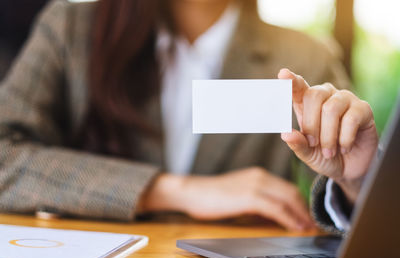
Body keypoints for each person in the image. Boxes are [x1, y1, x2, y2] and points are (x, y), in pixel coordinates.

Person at [0, 0, 376, 232]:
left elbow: (370, 221)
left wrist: (356, 184)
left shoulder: (305, 57)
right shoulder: (70, 29)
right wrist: (175, 191)